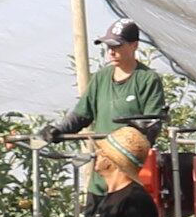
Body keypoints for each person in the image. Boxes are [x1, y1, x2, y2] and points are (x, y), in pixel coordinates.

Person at [42, 20, 172, 151]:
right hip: (103, 158)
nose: (111, 52)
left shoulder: (147, 79)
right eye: (109, 47)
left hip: (134, 159)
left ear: (134, 45)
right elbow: (82, 114)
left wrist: (127, 147)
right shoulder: (101, 77)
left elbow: (152, 125)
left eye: (117, 46)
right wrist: (58, 130)